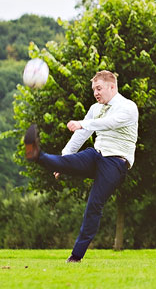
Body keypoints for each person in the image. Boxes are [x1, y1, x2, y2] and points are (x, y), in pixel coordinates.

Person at [24, 70, 139, 263]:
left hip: (116, 163)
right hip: (96, 155)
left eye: (99, 88)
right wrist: (64, 161)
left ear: (112, 87)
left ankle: (76, 256)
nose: (95, 93)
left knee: (94, 205)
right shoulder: (95, 108)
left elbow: (108, 123)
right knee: (64, 160)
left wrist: (82, 123)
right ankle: (36, 154)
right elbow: (81, 135)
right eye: (94, 89)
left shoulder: (128, 107)